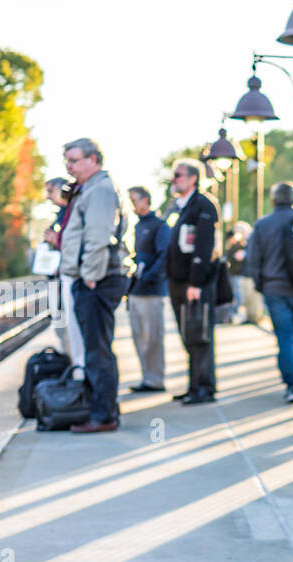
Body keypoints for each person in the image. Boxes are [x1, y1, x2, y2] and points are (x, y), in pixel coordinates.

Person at [59, 137, 131, 433]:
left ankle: (103, 415)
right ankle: (101, 409)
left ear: (93, 160)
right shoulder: (90, 188)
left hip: (97, 280)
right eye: (67, 161)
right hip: (94, 278)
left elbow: (98, 236)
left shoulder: (100, 190)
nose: (69, 166)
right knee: (96, 347)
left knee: (97, 349)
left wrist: (89, 276)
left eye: (74, 160)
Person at [245, 181, 293, 403]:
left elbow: (254, 260)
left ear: (273, 199)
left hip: (275, 288)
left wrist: (261, 285)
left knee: (285, 337)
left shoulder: (263, 225)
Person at [165, 159, 220, 405]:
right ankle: (194, 384)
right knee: (189, 335)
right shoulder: (180, 206)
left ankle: (204, 388)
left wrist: (196, 283)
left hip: (194, 283)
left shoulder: (203, 205)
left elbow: (203, 246)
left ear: (192, 178)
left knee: (199, 335)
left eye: (178, 175)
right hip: (179, 281)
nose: (174, 179)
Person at [126, 186, 170, 392]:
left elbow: (164, 256)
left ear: (145, 200)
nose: (132, 204)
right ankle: (147, 377)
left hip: (152, 292)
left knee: (153, 338)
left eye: (134, 200)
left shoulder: (159, 226)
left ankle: (155, 378)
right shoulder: (137, 226)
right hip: (136, 291)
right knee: (139, 337)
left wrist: (149, 276)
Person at [42, 178, 83, 364]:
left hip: (70, 278)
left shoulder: (73, 213)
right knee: (62, 329)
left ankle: (75, 369)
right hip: (57, 280)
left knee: (72, 331)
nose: (48, 196)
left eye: (51, 191)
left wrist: (56, 240)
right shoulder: (60, 215)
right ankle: (69, 367)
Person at [222, 223, 251, 324]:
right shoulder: (235, 243)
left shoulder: (246, 242)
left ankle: (235, 313)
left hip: (241, 272)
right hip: (236, 272)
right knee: (236, 293)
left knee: (239, 293)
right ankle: (233, 314)